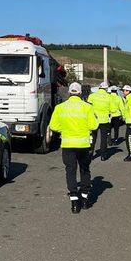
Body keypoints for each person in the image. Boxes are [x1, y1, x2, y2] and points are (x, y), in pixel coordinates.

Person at [49, 82, 99, 213]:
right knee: (84, 170)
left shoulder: (60, 108)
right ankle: (84, 200)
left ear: (69, 92)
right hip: (83, 145)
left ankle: (74, 202)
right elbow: (94, 126)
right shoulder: (87, 107)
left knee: (70, 171)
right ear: (80, 93)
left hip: (68, 144)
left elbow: (53, 126)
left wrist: (64, 130)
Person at [87, 81, 114, 161]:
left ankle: (90, 154)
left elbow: (88, 107)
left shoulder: (92, 96)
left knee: (92, 137)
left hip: (94, 119)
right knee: (103, 138)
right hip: (104, 120)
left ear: (99, 87)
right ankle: (103, 155)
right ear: (106, 89)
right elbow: (113, 109)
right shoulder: (109, 97)